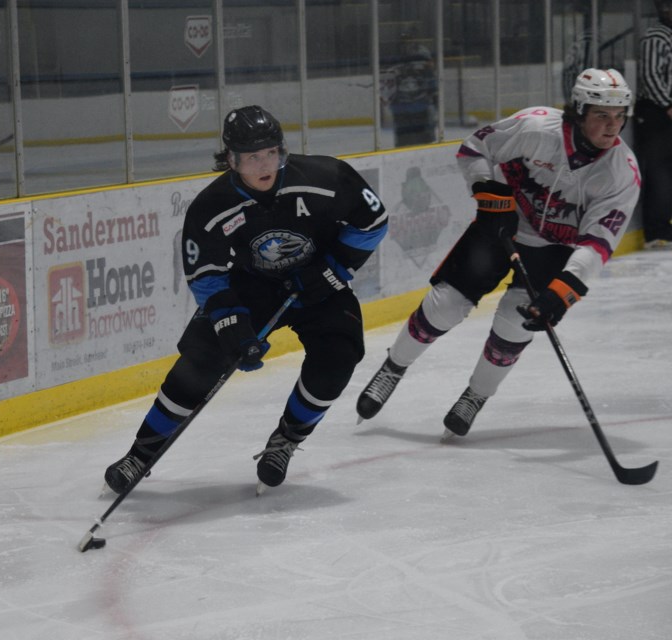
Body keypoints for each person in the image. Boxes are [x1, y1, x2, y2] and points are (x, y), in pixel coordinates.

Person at [103, 105, 388, 494]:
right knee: (201, 363)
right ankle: (140, 455)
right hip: (250, 288)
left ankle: (285, 441)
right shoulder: (211, 206)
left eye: (271, 152)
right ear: (231, 159)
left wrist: (332, 268)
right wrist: (232, 324)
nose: (264, 163)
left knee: (339, 355)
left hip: (316, 283)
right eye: (252, 156)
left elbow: (372, 221)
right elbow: (206, 275)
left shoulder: (326, 176)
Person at [356, 68, 640, 438]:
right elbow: (474, 148)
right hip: (500, 227)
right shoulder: (536, 128)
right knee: (445, 305)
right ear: (580, 111)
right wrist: (485, 189)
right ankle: (393, 367)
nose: (612, 126)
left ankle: (476, 394)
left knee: (514, 322)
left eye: (620, 116)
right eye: (602, 115)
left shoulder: (621, 172)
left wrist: (565, 289)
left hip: (554, 249)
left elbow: (598, 243)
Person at [635, 0, 672, 248]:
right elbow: (650, 75)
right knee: (660, 173)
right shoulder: (655, 37)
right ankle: (656, 231)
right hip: (657, 115)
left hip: (665, 112)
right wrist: (668, 105)